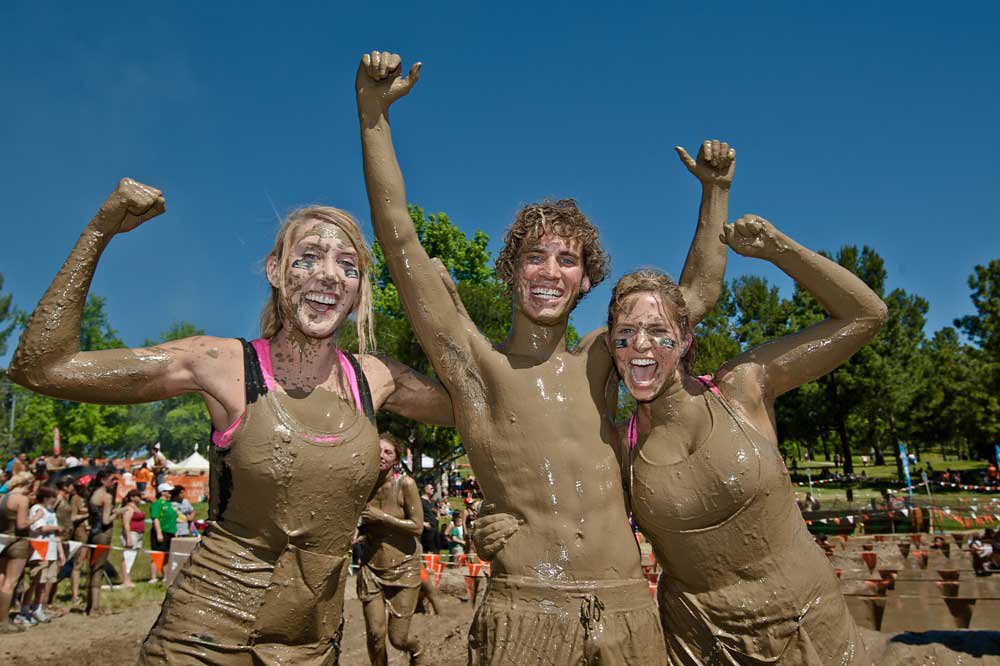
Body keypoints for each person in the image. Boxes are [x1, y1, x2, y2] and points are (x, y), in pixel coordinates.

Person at [356, 50, 733, 664]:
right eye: (534, 257)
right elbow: (398, 238)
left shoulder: (603, 359)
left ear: (586, 280)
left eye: (567, 260)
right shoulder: (476, 368)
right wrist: (373, 115)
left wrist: (715, 193)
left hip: (626, 606)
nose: (550, 271)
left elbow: (696, 295)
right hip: (526, 609)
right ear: (512, 271)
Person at [8, 178, 453, 663]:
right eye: (308, 258)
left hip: (313, 646)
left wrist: (444, 309)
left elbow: (483, 408)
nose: (329, 275)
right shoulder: (222, 365)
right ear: (275, 271)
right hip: (204, 637)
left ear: (358, 288)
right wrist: (100, 230)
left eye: (348, 267)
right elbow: (43, 367)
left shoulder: (376, 378)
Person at [607, 214, 887, 663]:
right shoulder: (621, 447)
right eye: (626, 333)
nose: (640, 344)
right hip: (700, 647)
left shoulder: (742, 387)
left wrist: (779, 249)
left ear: (685, 341)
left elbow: (865, 315)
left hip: (811, 634)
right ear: (611, 348)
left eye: (658, 331)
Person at [357, 434, 426, 665]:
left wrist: (382, 517)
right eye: (377, 450)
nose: (381, 455)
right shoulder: (364, 486)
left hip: (405, 567)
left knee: (398, 639)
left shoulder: (405, 485)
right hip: (371, 566)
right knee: (375, 635)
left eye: (388, 452)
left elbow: (417, 527)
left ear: (396, 459)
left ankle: (417, 650)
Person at [23, 486, 63, 624]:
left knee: (43, 582)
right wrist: (57, 527)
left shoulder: (51, 511)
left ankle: (37, 608)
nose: (55, 500)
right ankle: (25, 609)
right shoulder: (37, 509)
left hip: (51, 551)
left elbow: (55, 535)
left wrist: (60, 552)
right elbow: (40, 528)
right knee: (34, 581)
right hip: (39, 550)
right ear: (46, 498)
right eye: (53, 497)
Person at [0, 471, 34, 631]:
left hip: (3, 541)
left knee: (1, 579)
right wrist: (35, 518)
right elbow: (21, 524)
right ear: (25, 484)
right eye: (30, 486)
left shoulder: (2, 498)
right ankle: (3, 622)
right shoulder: (22, 499)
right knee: (10, 582)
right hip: (18, 543)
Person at [86, 470, 118, 615]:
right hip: (103, 534)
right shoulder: (106, 496)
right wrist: (116, 513)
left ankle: (89, 606)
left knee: (92, 569)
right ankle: (95, 608)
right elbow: (105, 520)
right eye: (111, 479)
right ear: (103, 480)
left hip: (93, 533)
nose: (113, 482)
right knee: (98, 570)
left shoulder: (93, 494)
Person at [149, 483, 178, 581]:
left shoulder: (169, 504)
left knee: (167, 555)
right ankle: (153, 577)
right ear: (162, 492)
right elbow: (155, 518)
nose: (170, 493)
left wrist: (175, 531)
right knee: (157, 554)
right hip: (162, 531)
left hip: (170, 532)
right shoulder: (157, 504)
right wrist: (159, 533)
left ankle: (165, 576)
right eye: (168, 491)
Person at [120, 489, 145, 588]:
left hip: (139, 534)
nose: (140, 498)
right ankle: (125, 580)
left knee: (132, 557)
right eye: (138, 496)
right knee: (127, 556)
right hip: (131, 533)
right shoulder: (128, 508)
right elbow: (126, 523)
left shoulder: (137, 507)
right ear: (132, 497)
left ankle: (129, 578)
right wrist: (128, 538)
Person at [419, 483, 438, 554]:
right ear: (425, 489)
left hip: (434, 528)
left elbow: (432, 511)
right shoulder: (420, 501)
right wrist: (423, 523)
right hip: (427, 530)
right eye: (431, 488)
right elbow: (416, 514)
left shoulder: (431, 501)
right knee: (428, 550)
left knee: (435, 550)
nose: (433, 490)